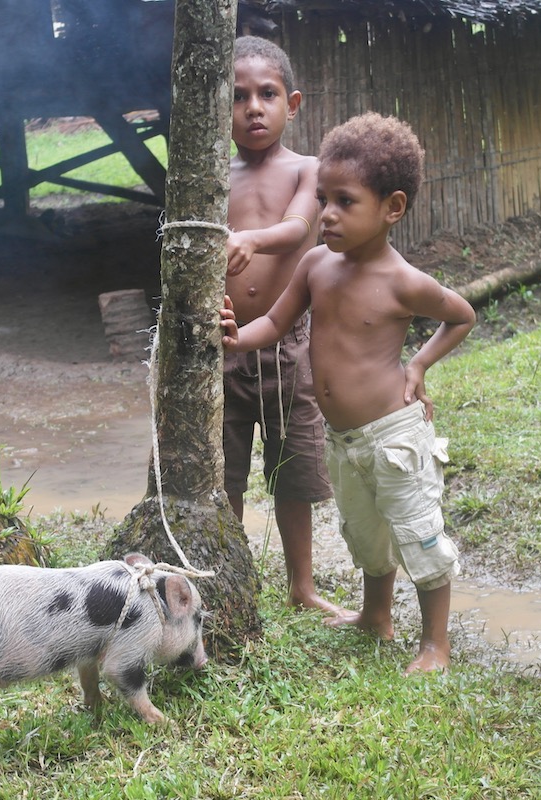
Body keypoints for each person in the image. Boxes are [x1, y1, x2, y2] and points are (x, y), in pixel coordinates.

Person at [220, 112, 477, 673]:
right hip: (345, 439)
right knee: (365, 532)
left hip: (394, 435)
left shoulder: (402, 281)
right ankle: (375, 616)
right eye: (323, 199)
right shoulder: (316, 264)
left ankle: (435, 643)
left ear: (393, 208)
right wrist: (239, 338)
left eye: (345, 201)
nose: (327, 214)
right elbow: (275, 324)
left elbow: (461, 316)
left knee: (418, 532)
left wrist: (419, 364)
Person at [223, 36, 344, 616]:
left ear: (291, 104)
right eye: (239, 96)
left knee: (292, 471)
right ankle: (225, 579)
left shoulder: (307, 170)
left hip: (288, 348)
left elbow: (298, 229)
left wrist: (249, 238)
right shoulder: (213, 178)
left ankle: (303, 586)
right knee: (222, 470)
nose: (254, 107)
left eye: (267, 94)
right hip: (221, 347)